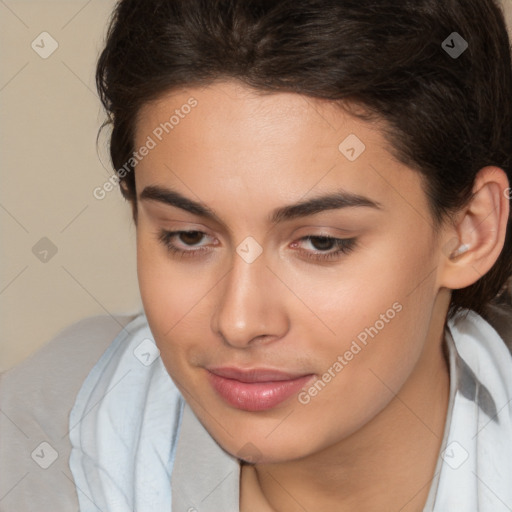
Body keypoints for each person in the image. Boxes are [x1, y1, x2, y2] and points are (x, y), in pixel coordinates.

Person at [1, 0, 512, 510]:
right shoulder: (42, 435)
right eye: (189, 236)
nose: (239, 322)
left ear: (471, 231)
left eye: (321, 242)